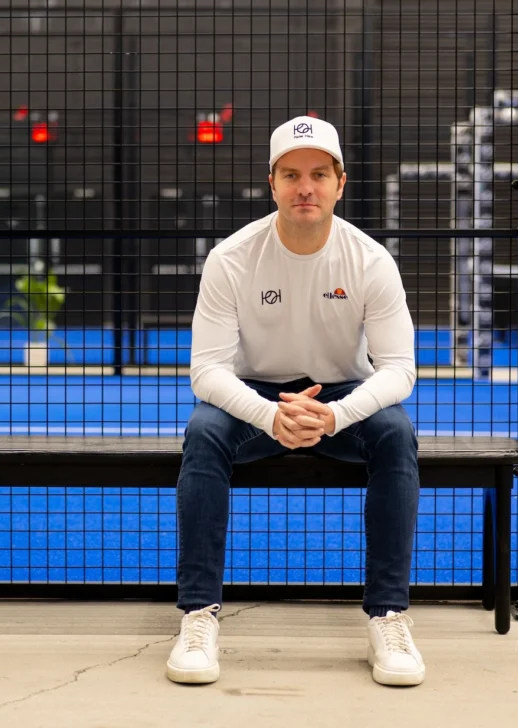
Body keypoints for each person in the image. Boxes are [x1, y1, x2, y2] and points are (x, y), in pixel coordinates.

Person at [165, 116, 423, 687]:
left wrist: (334, 414)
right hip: (254, 396)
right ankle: (198, 615)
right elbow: (206, 371)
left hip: (344, 398)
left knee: (396, 433)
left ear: (340, 183)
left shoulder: (371, 260)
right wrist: (268, 415)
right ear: (273, 184)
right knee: (204, 431)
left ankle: (388, 615)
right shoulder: (232, 258)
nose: (305, 187)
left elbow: (400, 370)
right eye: (291, 175)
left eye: (318, 175)